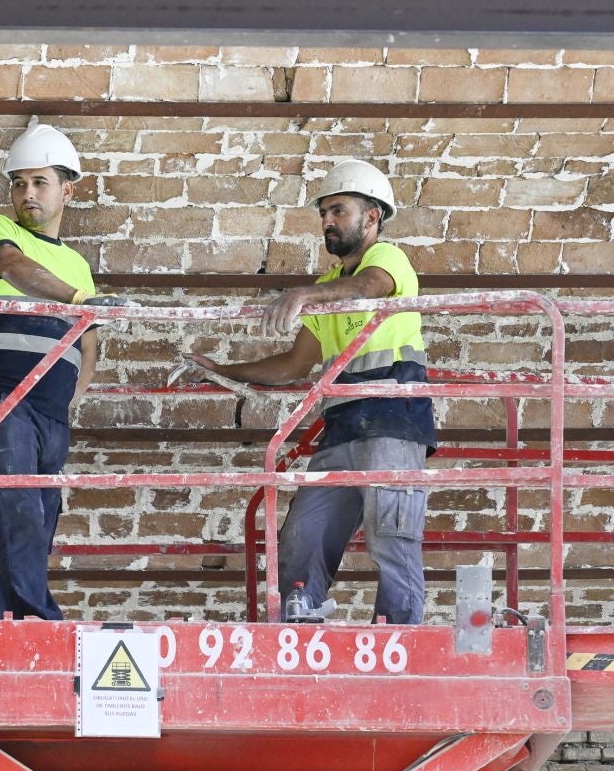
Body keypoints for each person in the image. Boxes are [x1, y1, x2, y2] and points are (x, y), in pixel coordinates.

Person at [181, 160, 431, 624]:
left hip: (394, 418)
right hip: (341, 428)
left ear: (372, 217)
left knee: (391, 534)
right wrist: (221, 369)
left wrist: (302, 296)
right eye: (323, 214)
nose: (327, 222)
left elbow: (370, 288)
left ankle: (402, 633)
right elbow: (295, 364)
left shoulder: (388, 260)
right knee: (303, 533)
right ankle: (301, 616)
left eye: (338, 210)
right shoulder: (326, 289)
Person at [0, 120, 122, 620]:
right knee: (20, 510)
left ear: (66, 191)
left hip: (51, 412)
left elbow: (89, 344)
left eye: (40, 183)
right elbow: (14, 268)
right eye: (19, 182)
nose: (26, 194)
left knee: (27, 517)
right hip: (2, 395)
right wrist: (77, 299)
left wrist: (68, 402)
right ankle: (41, 618)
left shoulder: (77, 263)